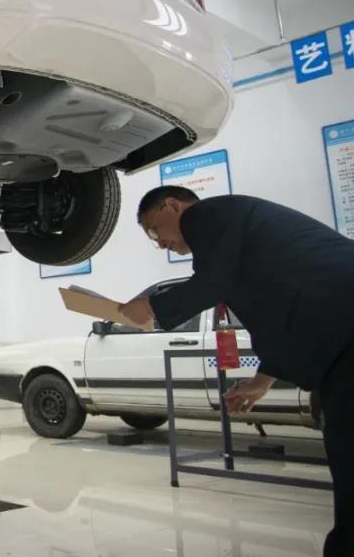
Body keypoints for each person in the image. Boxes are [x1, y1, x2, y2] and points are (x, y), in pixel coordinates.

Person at [118, 187, 354, 557]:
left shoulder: (206, 215)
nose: (160, 243)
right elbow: (276, 312)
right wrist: (261, 381)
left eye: (153, 230)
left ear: (171, 206)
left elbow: (211, 284)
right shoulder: (238, 237)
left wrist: (149, 307)